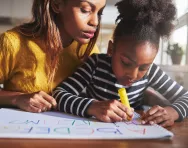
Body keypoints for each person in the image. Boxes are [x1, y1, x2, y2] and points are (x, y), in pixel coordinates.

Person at [52, 0, 188, 127]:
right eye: (126, 63)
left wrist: (172, 112)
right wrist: (92, 106)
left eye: (143, 67)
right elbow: (59, 94)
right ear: (111, 49)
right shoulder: (95, 64)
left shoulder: (152, 72)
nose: (133, 75)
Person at [0, 0, 106, 113]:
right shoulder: (12, 43)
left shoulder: (89, 50)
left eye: (99, 13)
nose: (95, 22)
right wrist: (17, 98)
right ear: (57, 4)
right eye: (86, 10)